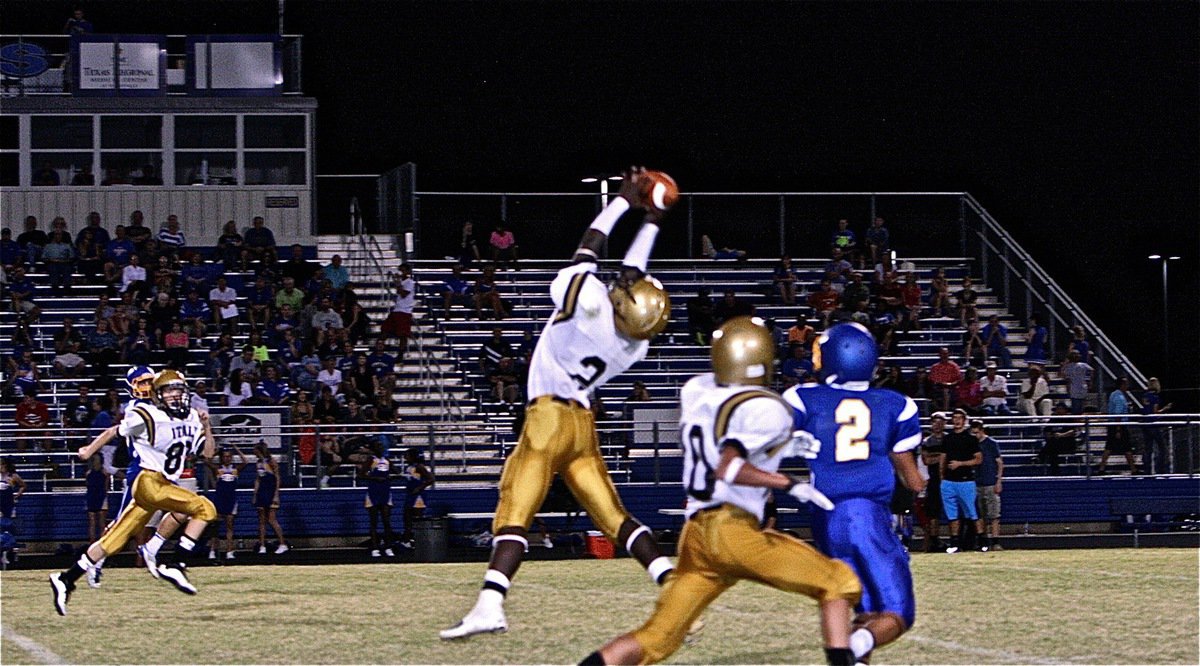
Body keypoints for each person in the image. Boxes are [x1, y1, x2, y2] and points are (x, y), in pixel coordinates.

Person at [441, 167, 676, 640]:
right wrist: (654, 218)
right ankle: (675, 589)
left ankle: (490, 605)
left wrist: (625, 203)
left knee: (514, 507)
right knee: (615, 517)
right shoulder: (635, 345)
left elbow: (587, 251)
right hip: (583, 424)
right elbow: (632, 278)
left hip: (547, 417)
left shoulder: (587, 300)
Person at [586, 317, 859, 666]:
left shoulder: (697, 390)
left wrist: (782, 447)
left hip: (697, 533)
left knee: (656, 639)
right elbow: (729, 466)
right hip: (735, 530)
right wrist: (791, 483)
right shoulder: (768, 407)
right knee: (839, 582)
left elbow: (725, 432)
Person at [782, 322, 926, 664]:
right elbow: (914, 480)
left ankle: (857, 657)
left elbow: (770, 440)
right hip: (867, 515)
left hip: (826, 519)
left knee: (864, 608)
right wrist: (917, 481)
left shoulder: (802, 398)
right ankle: (850, 652)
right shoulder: (896, 404)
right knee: (897, 613)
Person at [50, 370, 216, 614]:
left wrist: (207, 426)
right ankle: (175, 563)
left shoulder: (192, 418)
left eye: (179, 390)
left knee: (114, 541)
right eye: (169, 391)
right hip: (148, 481)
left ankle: (66, 579)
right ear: (158, 396)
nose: (176, 395)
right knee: (205, 508)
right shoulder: (147, 414)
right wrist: (88, 450)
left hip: (164, 485)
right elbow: (112, 431)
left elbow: (208, 453)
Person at [938, 409, 983, 553]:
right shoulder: (948, 438)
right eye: (954, 418)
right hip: (949, 481)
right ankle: (955, 542)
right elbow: (943, 458)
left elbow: (978, 459)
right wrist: (942, 477)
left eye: (959, 418)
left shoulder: (970, 439)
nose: (957, 421)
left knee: (973, 512)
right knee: (952, 514)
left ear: (964, 420)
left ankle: (982, 541)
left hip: (966, 481)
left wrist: (960, 464)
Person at [204, 445, 250, 561]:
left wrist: (236, 449)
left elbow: (246, 461)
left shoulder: (235, 470)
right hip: (219, 500)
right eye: (225, 457)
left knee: (230, 526)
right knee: (215, 528)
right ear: (221, 458)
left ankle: (229, 551)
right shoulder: (217, 469)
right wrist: (216, 452)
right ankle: (213, 550)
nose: (227, 459)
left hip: (231, 500)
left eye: (229, 456)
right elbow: (206, 461)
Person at [971, 420, 1003, 551]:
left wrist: (998, 480)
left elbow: (999, 463)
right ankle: (984, 541)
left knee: (994, 515)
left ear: (982, 430)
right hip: (976, 483)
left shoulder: (991, 444)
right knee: (981, 515)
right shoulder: (972, 445)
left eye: (976, 433)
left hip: (990, 482)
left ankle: (995, 541)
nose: (975, 436)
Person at [252, 441, 289, 555]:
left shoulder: (271, 462)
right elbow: (258, 479)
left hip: (271, 491)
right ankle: (262, 545)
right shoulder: (258, 463)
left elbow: (277, 478)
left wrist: (276, 494)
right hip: (262, 492)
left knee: (272, 519)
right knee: (262, 521)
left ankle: (282, 544)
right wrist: (255, 494)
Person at [918, 413, 947, 552]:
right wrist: (943, 458)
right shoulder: (927, 442)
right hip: (934, 479)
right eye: (935, 422)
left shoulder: (949, 439)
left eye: (940, 422)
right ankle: (934, 541)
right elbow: (926, 460)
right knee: (933, 512)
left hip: (952, 478)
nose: (937, 425)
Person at [1097, 377, 1136, 475]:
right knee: (1125, 447)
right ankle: (1133, 469)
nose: (1127, 386)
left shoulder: (1113, 394)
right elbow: (1117, 414)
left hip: (1114, 424)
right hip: (1118, 425)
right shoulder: (1119, 397)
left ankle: (1102, 468)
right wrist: (1118, 429)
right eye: (1126, 384)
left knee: (1111, 447)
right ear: (1122, 385)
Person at [1140, 377, 1173, 474]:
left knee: (1148, 448)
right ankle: (1160, 469)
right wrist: (1165, 409)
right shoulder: (1155, 397)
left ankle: (1147, 469)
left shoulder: (1145, 396)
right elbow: (1155, 412)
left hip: (1145, 424)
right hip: (1153, 424)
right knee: (1162, 447)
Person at [382, 265, 415, 351]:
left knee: (403, 335)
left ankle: (400, 354)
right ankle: (379, 348)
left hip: (405, 311)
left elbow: (403, 294)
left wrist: (397, 283)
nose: (401, 272)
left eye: (403, 270)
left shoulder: (410, 282)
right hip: (397, 309)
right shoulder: (401, 282)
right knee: (385, 329)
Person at [1039, 403, 1079, 475]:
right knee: (1053, 448)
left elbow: (1073, 431)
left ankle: (1040, 457)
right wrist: (1052, 435)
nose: (1059, 411)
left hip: (1067, 443)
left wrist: (1061, 435)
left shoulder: (1069, 419)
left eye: (1061, 409)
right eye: (1058, 409)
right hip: (1055, 443)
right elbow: (1047, 431)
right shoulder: (1053, 419)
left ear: (1065, 410)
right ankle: (1055, 471)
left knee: (1052, 445)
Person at [85, 454, 111, 544]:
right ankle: (92, 542)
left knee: (102, 522)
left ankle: (102, 542)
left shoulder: (104, 473)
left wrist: (104, 497)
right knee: (92, 521)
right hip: (92, 497)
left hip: (102, 497)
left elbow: (106, 487)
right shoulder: (88, 473)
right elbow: (88, 485)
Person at [929, 347, 962, 412]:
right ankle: (945, 410)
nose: (944, 355)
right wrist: (943, 384)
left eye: (946, 354)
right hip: (938, 388)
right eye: (943, 354)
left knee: (947, 391)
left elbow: (958, 379)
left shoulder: (954, 366)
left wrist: (951, 384)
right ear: (939, 355)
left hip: (952, 387)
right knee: (944, 391)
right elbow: (933, 380)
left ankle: (946, 410)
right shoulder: (935, 367)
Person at [1059, 350, 1093, 415]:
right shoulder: (1082, 365)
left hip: (1077, 388)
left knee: (1078, 407)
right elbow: (1091, 371)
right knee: (1078, 407)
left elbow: (1064, 376)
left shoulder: (1069, 366)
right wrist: (1089, 381)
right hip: (1078, 388)